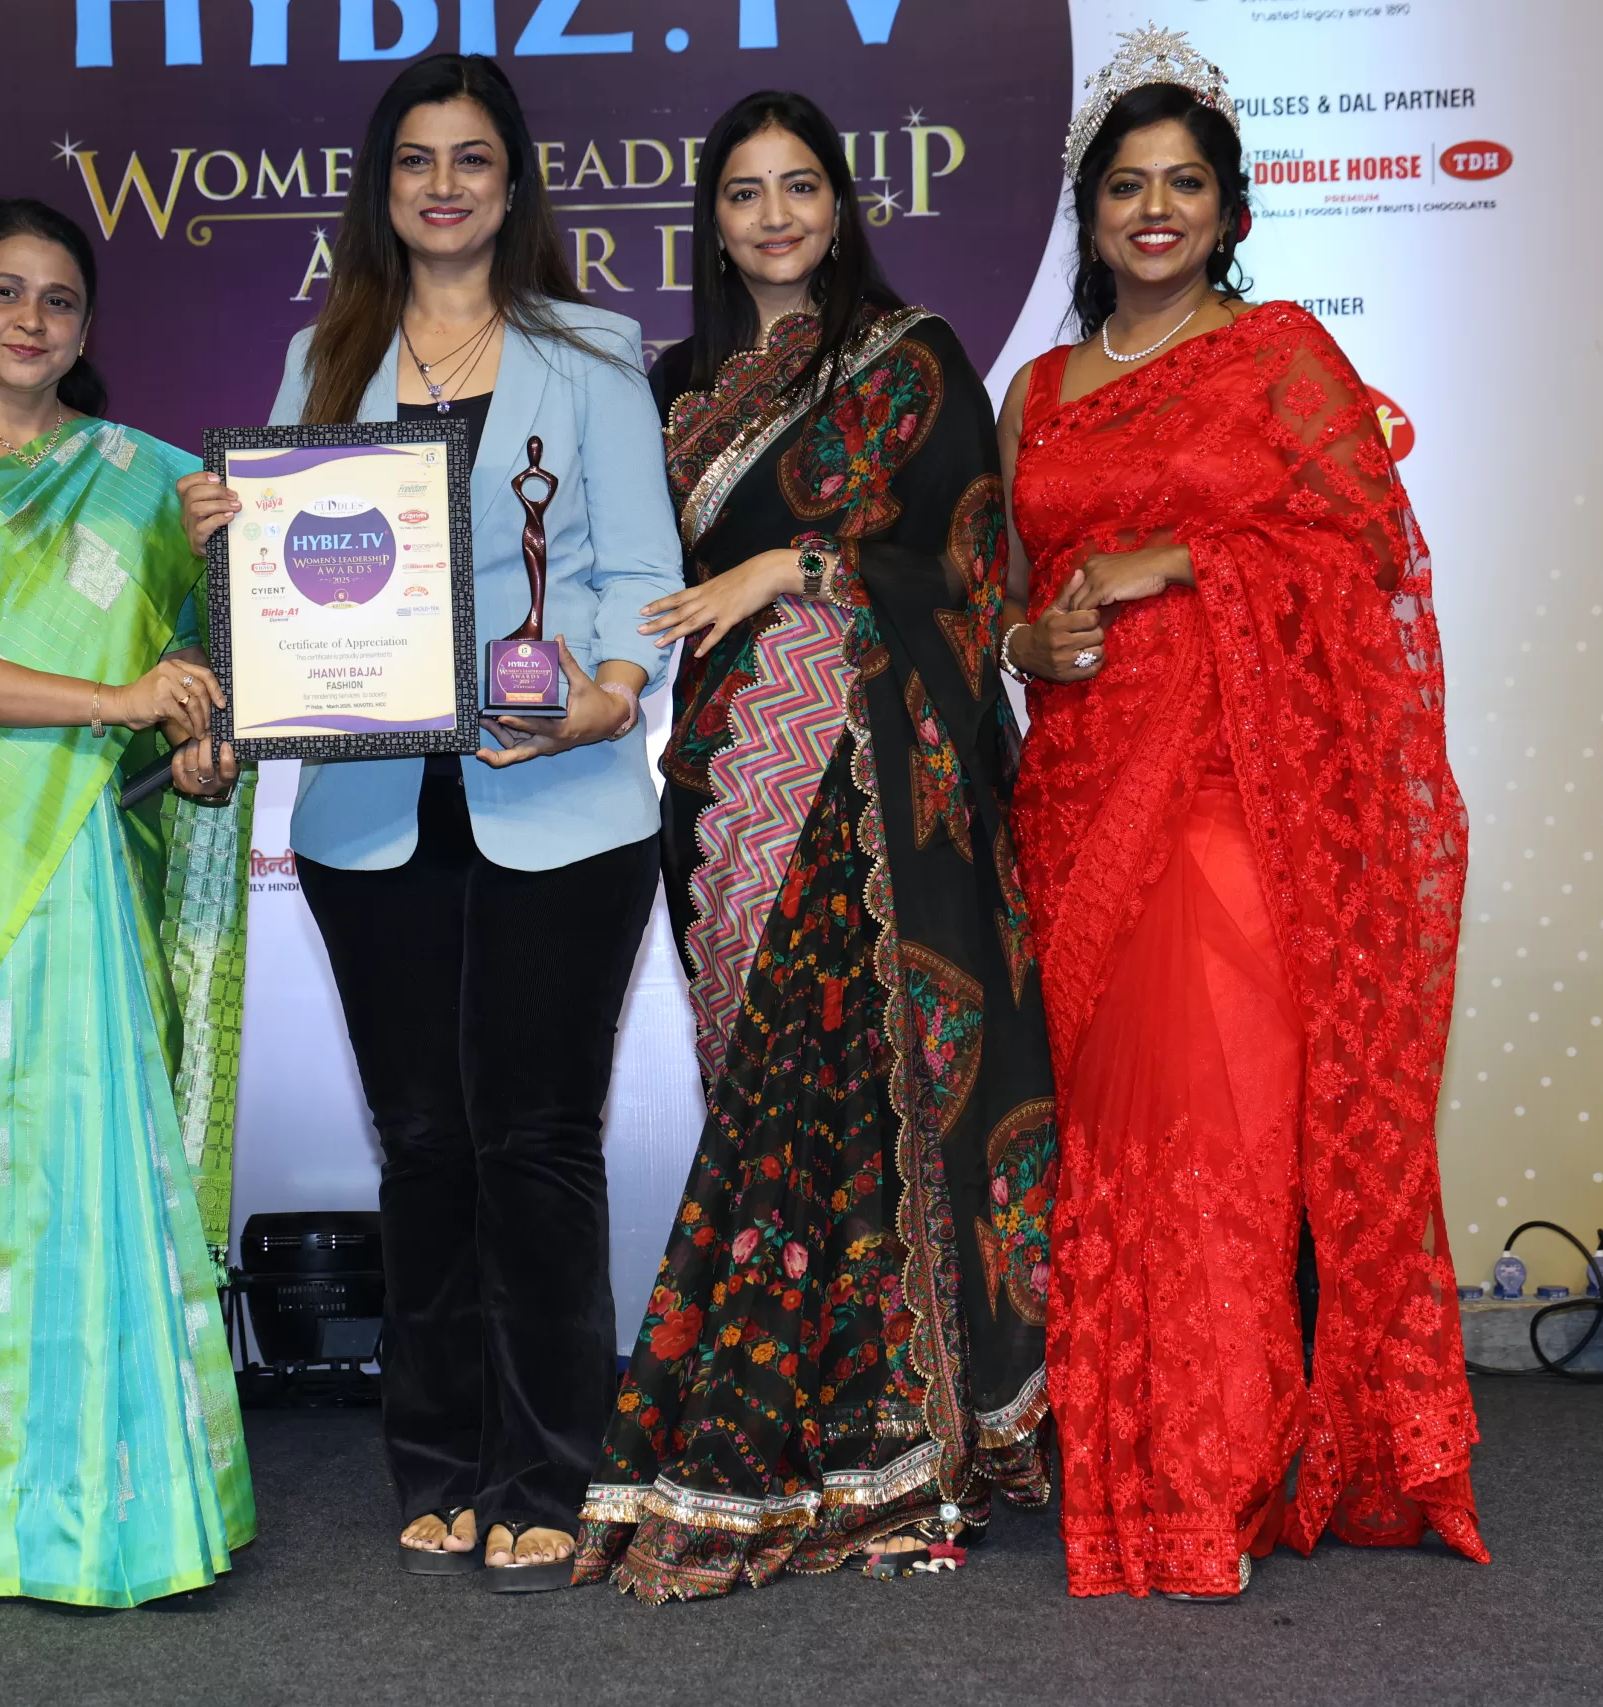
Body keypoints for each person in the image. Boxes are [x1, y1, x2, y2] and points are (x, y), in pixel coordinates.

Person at [996, 28, 1486, 1600]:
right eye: (1126, 186)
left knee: (1204, 1125)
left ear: (1230, 207)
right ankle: (1140, 1459)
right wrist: (1031, 642)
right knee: (1107, 1139)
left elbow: (1370, 551)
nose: (1154, 210)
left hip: (1231, 798)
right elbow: (1003, 600)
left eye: (1184, 184)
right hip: (1076, 793)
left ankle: (1197, 1482)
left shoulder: (1278, 356)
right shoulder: (1037, 391)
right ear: (1088, 213)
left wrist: (1180, 560)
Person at [182, 53, 681, 1590]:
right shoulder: (322, 357)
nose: (444, 184)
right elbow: (276, 590)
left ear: (512, 184)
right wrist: (221, 536)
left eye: (472, 158)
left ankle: (551, 1463)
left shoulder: (593, 351)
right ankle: (445, 1455)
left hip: (564, 799)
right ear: (382, 187)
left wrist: (611, 693)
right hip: (370, 812)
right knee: (423, 1143)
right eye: (417, 159)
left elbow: (637, 570)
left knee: (539, 1139)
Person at [566, 92, 1056, 1601]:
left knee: (847, 1080)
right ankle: (809, 1406)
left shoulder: (915, 363)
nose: (774, 216)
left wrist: (800, 562)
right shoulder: (669, 387)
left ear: (841, 207)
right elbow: (603, 561)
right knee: (758, 1086)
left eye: (799, 188)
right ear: (710, 223)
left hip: (868, 766)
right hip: (722, 779)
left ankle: (886, 1429)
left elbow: (970, 570)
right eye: (743, 193)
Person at [0, 196, 256, 1609]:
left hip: (92, 854)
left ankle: (116, 1505)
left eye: (59, 300)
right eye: (4, 292)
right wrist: (122, 700)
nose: (30, 321)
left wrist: (202, 729)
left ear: (87, 325)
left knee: (93, 1160)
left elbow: (199, 684)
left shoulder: (153, 480)